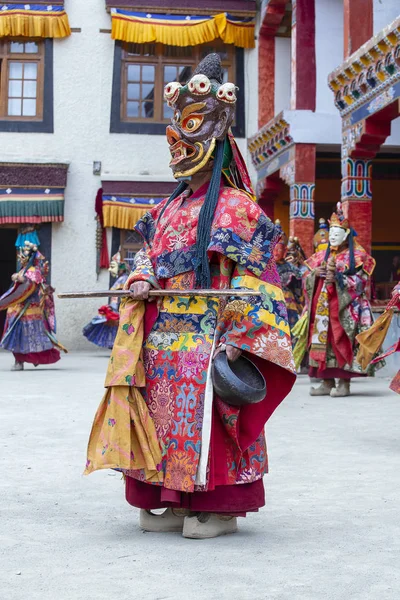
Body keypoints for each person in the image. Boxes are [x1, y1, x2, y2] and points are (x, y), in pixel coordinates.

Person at [85, 54, 296, 539]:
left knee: (208, 418)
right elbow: (147, 258)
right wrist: (139, 278)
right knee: (159, 416)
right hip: (162, 338)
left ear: (216, 136)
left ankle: (218, 507)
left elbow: (257, 280)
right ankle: (171, 500)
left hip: (212, 336)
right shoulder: (166, 209)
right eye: (175, 136)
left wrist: (239, 335)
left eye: (192, 132)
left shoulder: (238, 209)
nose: (179, 147)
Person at [297, 203, 376, 397]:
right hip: (321, 307)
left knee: (342, 340)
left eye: (337, 231)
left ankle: (344, 383)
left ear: (347, 234)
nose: (332, 235)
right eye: (331, 231)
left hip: (345, 307)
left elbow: (362, 282)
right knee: (322, 342)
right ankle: (326, 381)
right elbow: (305, 278)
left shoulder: (358, 256)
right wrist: (315, 274)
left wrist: (339, 279)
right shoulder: (319, 256)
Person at [0, 241, 66, 371]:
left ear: (30, 257)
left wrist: (22, 280)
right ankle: (21, 360)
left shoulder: (33, 272)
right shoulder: (23, 270)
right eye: (20, 256)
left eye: (23, 256)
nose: (21, 259)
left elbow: (30, 286)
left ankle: (30, 359)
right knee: (17, 336)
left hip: (29, 309)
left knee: (31, 336)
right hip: (18, 308)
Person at [83, 251, 130, 349]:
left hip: (119, 308)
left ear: (120, 270)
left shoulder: (123, 279)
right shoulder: (122, 279)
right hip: (117, 307)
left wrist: (113, 308)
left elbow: (118, 295)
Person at [274, 223, 305, 331]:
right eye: (273, 248)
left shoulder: (293, 269)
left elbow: (300, 291)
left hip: (289, 306)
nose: (276, 252)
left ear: (285, 251)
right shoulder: (264, 269)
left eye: (279, 249)